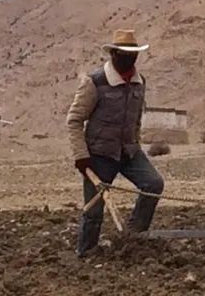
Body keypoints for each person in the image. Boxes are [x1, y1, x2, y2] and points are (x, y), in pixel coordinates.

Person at [66, 29, 165, 256]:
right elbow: (74, 120)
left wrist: (135, 142)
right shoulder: (95, 82)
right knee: (94, 210)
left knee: (153, 184)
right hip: (99, 154)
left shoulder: (140, 83)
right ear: (114, 54)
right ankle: (87, 253)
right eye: (123, 53)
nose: (128, 58)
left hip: (129, 151)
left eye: (132, 54)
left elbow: (136, 118)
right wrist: (81, 156)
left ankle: (133, 236)